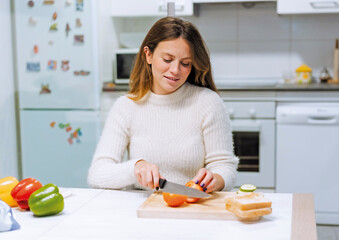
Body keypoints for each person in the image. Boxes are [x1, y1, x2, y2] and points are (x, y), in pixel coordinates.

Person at [88, 17, 237, 193]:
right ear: (148, 55)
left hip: (193, 206)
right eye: (167, 59)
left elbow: (224, 166)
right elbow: (97, 174)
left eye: (185, 63)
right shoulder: (126, 107)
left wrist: (217, 179)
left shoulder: (208, 103)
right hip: (144, 208)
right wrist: (135, 168)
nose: (175, 70)